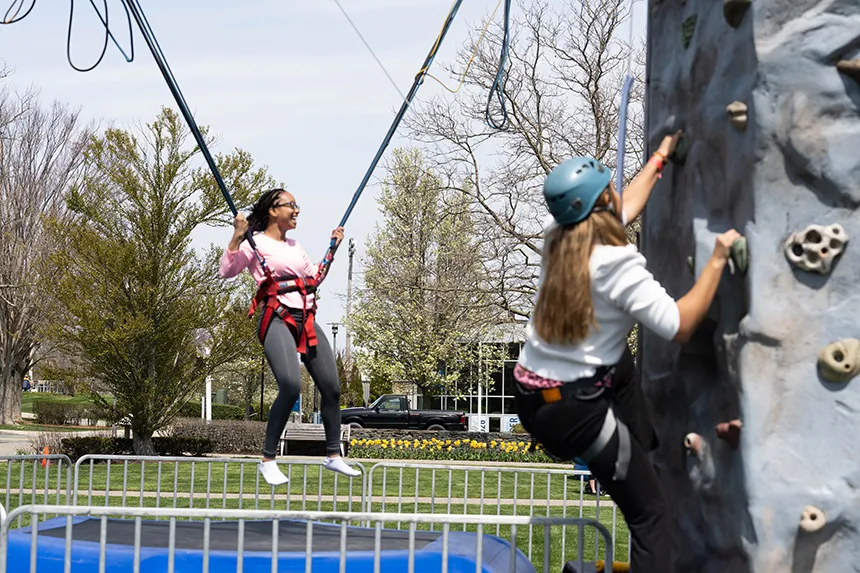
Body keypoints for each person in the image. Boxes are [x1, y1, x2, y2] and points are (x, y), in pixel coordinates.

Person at [513, 134, 741, 572]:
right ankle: (643, 463)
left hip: (532, 392)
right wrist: (717, 258)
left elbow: (622, 208)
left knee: (616, 362)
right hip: (576, 415)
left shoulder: (559, 237)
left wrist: (659, 159)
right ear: (602, 199)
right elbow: (680, 325)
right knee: (652, 516)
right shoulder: (619, 265)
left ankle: (644, 447)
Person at [220, 188, 360, 485]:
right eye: (291, 206)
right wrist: (236, 235)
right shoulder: (253, 244)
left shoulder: (295, 246)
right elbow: (227, 271)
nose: (297, 210)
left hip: (305, 318)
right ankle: (268, 459)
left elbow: (315, 278)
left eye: (297, 206)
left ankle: (333, 455)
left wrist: (332, 248)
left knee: (332, 388)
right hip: (277, 318)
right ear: (273, 210)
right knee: (290, 384)